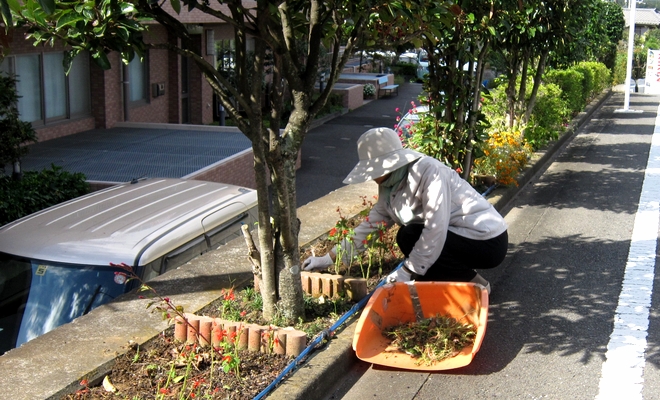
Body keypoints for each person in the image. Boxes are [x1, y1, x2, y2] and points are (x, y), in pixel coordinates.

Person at [302, 127, 508, 293]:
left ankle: (478, 286)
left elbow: (435, 229)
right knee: (409, 237)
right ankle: (439, 290)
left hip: (487, 241)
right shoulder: (389, 184)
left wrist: (408, 270)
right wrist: (327, 258)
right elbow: (371, 225)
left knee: (410, 236)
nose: (372, 177)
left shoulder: (429, 172)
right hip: (457, 237)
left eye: (373, 170)